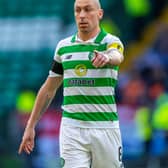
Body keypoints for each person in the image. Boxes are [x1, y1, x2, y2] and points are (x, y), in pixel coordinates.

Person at [18, 0, 125, 167]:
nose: (82, 15)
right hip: (72, 128)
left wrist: (107, 58)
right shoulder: (63, 47)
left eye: (88, 9)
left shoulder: (110, 41)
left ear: (100, 14)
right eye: (78, 10)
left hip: (105, 127)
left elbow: (117, 55)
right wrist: (30, 126)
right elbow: (48, 89)